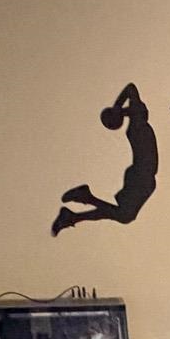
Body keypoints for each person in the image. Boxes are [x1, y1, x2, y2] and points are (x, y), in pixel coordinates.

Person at [51, 82, 158, 235]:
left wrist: (118, 108)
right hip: (142, 174)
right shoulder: (137, 124)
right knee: (125, 215)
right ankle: (81, 204)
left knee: (123, 214)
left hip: (144, 176)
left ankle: (78, 209)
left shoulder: (138, 121)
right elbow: (131, 88)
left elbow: (131, 90)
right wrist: (118, 108)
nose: (145, 109)